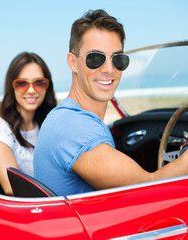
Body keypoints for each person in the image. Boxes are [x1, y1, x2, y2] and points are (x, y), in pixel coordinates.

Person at [33, 9, 188, 196]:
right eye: (95, 59)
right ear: (72, 62)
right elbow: (148, 190)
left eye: (118, 59)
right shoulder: (75, 129)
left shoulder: (64, 116)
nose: (109, 69)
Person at [0, 52, 57, 195]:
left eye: (39, 83)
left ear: (47, 86)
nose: (31, 90)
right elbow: (12, 188)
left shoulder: (49, 124)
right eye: (22, 84)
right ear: (12, 87)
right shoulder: (0, 128)